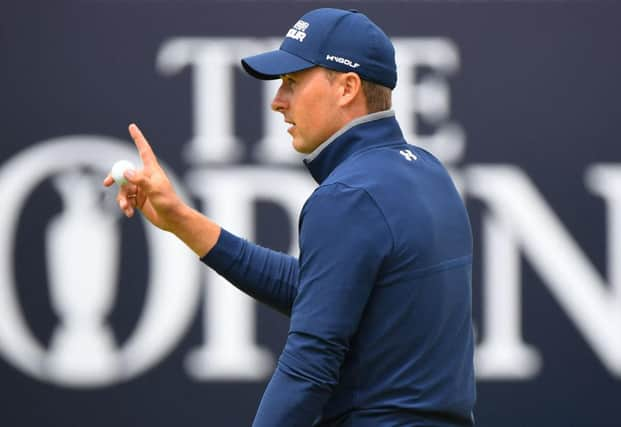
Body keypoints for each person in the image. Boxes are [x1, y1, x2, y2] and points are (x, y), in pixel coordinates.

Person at [104, 8, 475, 427]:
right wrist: (181, 219)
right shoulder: (428, 171)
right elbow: (322, 291)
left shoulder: (346, 196)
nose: (278, 102)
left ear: (347, 88)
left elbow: (308, 367)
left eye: (293, 82)